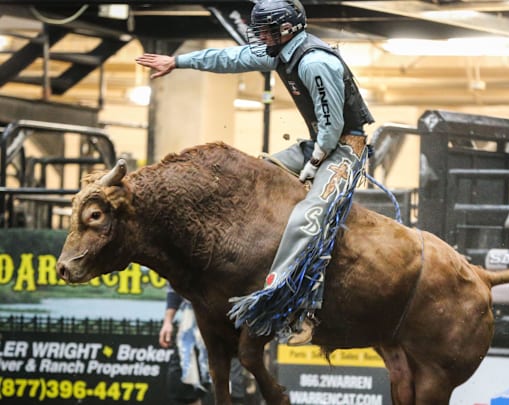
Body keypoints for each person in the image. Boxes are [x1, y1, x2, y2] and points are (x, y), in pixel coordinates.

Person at [137, 0, 374, 344]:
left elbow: (332, 124)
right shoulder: (281, 52)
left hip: (344, 151)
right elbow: (231, 58)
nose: (261, 36)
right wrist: (178, 61)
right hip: (321, 145)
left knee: (310, 217)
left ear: (287, 29)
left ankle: (305, 307)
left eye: (266, 30)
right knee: (260, 175)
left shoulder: (314, 62)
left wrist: (310, 167)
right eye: (260, 30)